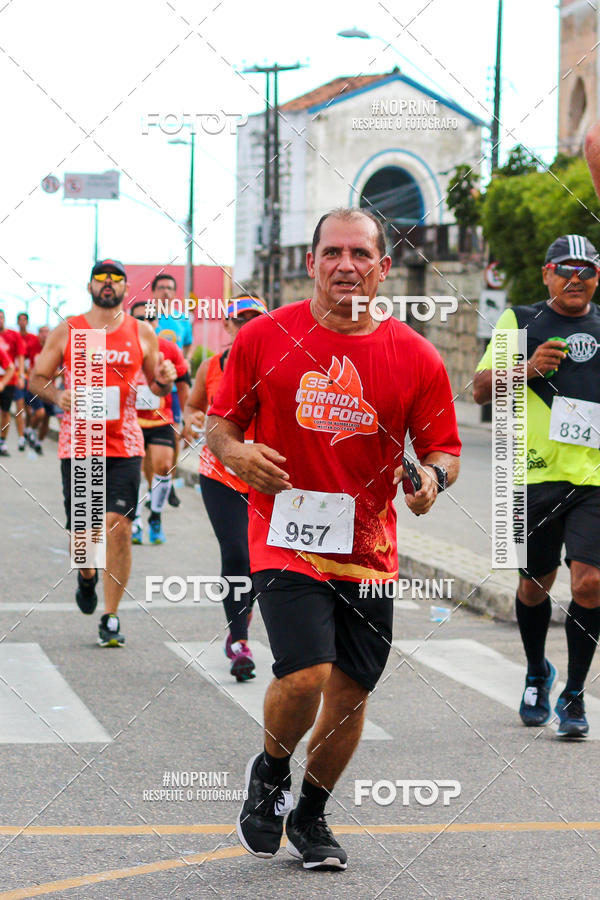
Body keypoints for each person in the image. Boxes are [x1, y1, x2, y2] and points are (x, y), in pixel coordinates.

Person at [207, 209, 461, 870]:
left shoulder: (415, 355)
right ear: (312, 261)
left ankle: (312, 816)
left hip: (368, 549)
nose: (345, 265)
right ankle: (269, 775)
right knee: (306, 673)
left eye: (360, 254)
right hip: (284, 536)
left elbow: (443, 450)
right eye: (332, 253)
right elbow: (219, 428)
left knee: (351, 695)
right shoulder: (265, 337)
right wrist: (239, 457)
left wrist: (430, 478)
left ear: (382, 267)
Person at [474, 234, 600, 738]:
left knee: (589, 582)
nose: (576, 279)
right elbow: (480, 389)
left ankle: (573, 694)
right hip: (529, 476)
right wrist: (524, 369)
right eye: (565, 270)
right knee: (533, 586)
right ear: (547, 274)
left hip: (593, 479)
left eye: (586, 270)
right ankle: (535, 672)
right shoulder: (519, 321)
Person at [30, 259, 176, 647]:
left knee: (119, 525)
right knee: (86, 535)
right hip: (79, 443)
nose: (108, 284)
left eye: (116, 279)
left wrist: (163, 383)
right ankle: (87, 575)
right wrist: (56, 394)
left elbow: (158, 386)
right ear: (90, 285)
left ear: (127, 288)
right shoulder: (70, 330)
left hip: (125, 444)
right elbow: (37, 377)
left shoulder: (140, 331)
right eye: (101, 279)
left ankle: (110, 616)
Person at [183, 294, 267, 682]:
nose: (248, 326)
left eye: (256, 319)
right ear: (228, 327)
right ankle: (239, 641)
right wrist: (195, 417)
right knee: (236, 552)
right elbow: (194, 407)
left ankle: (241, 615)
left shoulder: (280, 365)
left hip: (267, 477)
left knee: (260, 562)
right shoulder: (212, 367)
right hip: (220, 473)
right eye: (241, 320)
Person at [129, 299, 190, 544]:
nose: (145, 323)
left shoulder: (169, 349)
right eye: (139, 319)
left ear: (156, 322)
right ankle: (134, 520)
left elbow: (184, 384)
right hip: (129, 422)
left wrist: (185, 419)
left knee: (164, 468)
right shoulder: (122, 349)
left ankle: (155, 516)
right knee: (133, 475)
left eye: (149, 319)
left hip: (160, 419)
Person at [154, 273, 194, 508]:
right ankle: (155, 480)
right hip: (153, 384)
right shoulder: (146, 319)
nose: (166, 292)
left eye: (170, 288)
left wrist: (186, 359)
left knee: (177, 431)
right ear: (154, 292)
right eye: (161, 288)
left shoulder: (182, 319)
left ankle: (168, 480)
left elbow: (188, 343)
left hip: (177, 383)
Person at [24, 326, 54, 454]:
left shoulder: (54, 348)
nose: (44, 335)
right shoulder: (32, 346)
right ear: (38, 334)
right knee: (39, 413)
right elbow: (23, 363)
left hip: (49, 388)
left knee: (47, 417)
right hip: (35, 386)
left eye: (47, 332)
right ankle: (30, 429)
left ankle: (39, 442)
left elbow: (59, 369)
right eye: (42, 332)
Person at [15, 312, 41, 451]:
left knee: (30, 410)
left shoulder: (33, 339)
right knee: (21, 408)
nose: (22, 322)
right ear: (17, 322)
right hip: (17, 377)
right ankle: (21, 438)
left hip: (30, 378)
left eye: (25, 320)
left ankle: (27, 430)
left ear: (28, 322)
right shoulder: (14, 336)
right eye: (20, 320)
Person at [0, 309, 25, 456]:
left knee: (5, 411)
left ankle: (2, 442)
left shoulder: (13, 335)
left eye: (1, 317)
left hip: (8, 380)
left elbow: (20, 357)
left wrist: (21, 375)